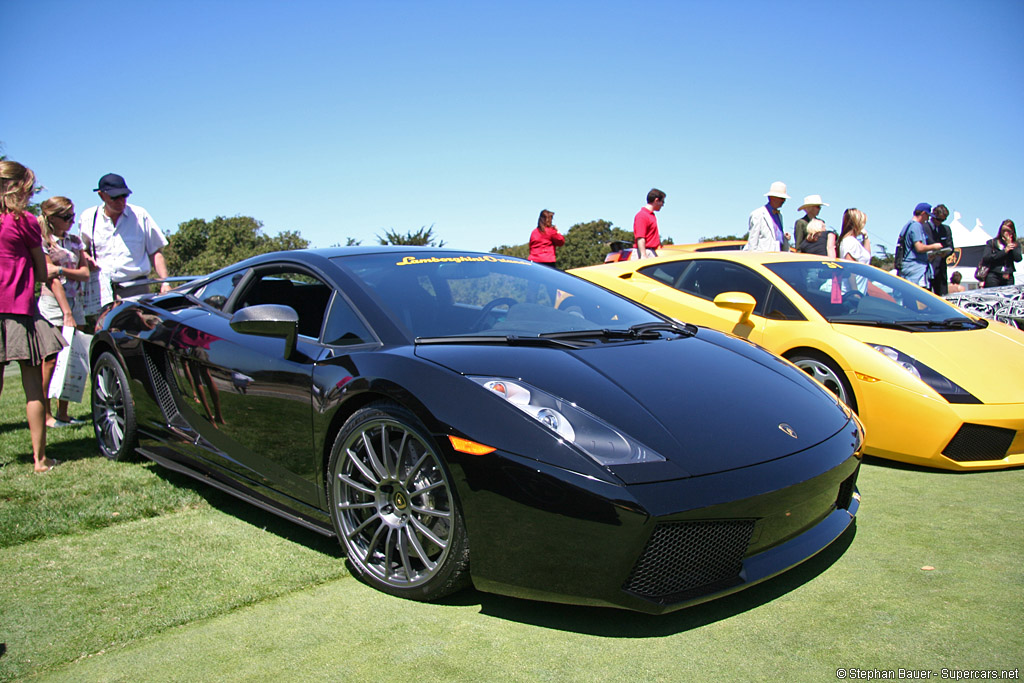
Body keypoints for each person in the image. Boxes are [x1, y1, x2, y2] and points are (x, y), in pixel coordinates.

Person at [0, 161, 65, 473]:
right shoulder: (24, 222)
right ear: (18, 188)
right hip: (20, 310)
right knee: (33, 388)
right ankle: (40, 460)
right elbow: (41, 271)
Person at [38, 197, 96, 427]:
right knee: (51, 360)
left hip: (77, 301)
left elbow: (84, 274)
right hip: (53, 304)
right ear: (51, 218)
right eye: (65, 217)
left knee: (73, 358)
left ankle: (64, 412)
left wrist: (61, 268)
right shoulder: (43, 242)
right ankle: (45, 414)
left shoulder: (74, 240)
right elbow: (50, 278)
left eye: (72, 216)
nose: (71, 221)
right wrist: (66, 313)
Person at [79, 173, 171, 299]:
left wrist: (165, 282)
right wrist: (88, 260)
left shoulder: (139, 215)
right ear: (101, 195)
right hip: (102, 290)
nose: (120, 201)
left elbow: (155, 252)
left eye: (124, 196)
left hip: (136, 288)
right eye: (115, 197)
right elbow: (82, 250)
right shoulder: (88, 218)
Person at [896, 203, 943, 287]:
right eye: (928, 216)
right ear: (923, 213)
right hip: (915, 268)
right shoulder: (916, 226)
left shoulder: (908, 225)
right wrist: (934, 246)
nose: (928, 219)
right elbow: (919, 247)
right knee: (917, 295)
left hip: (907, 266)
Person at [744, 181, 791, 252]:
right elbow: (753, 241)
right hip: (763, 257)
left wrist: (784, 237)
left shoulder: (779, 215)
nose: (784, 201)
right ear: (771, 197)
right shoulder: (758, 214)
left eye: (784, 198)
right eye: (781, 198)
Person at [980, 219, 1022, 288]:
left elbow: (1018, 258)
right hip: (993, 275)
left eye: (1008, 231)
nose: (1005, 233)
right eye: (1003, 230)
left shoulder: (1015, 244)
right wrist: (1004, 251)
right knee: (992, 296)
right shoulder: (992, 243)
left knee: (1008, 296)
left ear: (1012, 231)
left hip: (1008, 276)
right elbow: (986, 257)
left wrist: (1010, 244)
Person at [928, 204, 954, 295]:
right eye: (939, 219)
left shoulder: (946, 229)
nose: (940, 222)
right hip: (928, 267)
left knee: (942, 296)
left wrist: (946, 253)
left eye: (943, 220)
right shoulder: (924, 227)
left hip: (941, 269)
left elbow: (951, 247)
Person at [633, 188, 665, 260]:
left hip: (651, 251)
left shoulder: (651, 215)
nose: (663, 205)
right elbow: (640, 237)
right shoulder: (642, 215)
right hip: (645, 252)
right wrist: (643, 255)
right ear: (656, 200)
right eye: (662, 202)